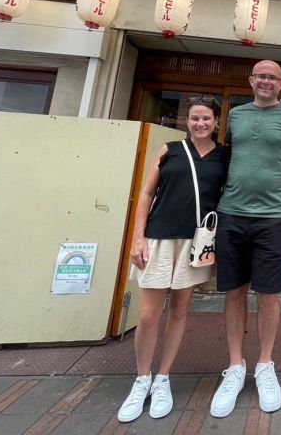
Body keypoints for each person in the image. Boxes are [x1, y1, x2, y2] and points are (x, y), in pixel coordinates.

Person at [210, 60, 281, 418]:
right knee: (234, 292)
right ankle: (236, 366)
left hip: (274, 218)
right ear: (251, 80)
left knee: (269, 295)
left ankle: (264, 365)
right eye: (261, 75)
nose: (266, 81)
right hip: (232, 214)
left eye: (273, 77)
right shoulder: (235, 115)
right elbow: (224, 159)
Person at [117, 97, 229, 423]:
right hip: (159, 237)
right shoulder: (170, 150)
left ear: (216, 122)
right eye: (194, 118)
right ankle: (142, 379)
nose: (200, 124)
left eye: (206, 118)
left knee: (180, 310)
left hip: (195, 242)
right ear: (187, 121)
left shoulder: (224, 156)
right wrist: (138, 237)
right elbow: (147, 194)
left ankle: (163, 377)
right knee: (149, 314)